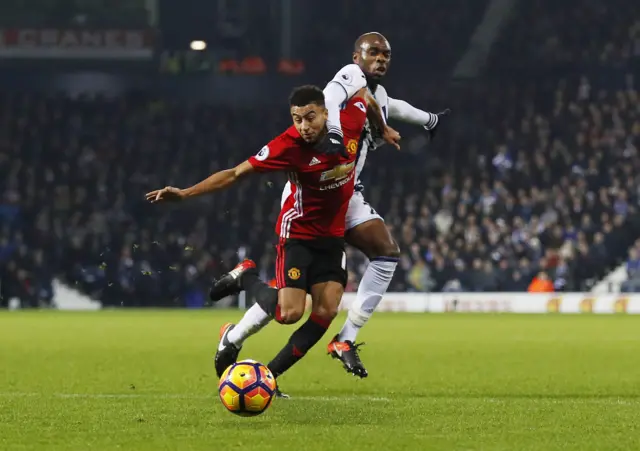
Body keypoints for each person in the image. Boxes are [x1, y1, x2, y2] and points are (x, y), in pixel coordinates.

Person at [221, 32, 450, 379]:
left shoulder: (376, 95)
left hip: (345, 194)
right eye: (373, 52)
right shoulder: (349, 75)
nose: (381, 59)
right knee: (290, 306)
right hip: (312, 197)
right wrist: (332, 133)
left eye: (386, 54)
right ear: (356, 56)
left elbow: (392, 106)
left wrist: (427, 120)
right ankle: (238, 323)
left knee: (383, 255)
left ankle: (343, 339)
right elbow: (330, 94)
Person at [147, 85, 385, 397]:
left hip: (332, 238)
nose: (303, 126)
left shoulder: (349, 121)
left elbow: (363, 94)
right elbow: (235, 174)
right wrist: (185, 193)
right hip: (297, 235)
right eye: (297, 119)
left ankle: (268, 378)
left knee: (326, 312)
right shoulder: (287, 145)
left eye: (310, 117)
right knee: (289, 314)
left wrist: (384, 128)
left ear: (326, 113)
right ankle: (245, 278)